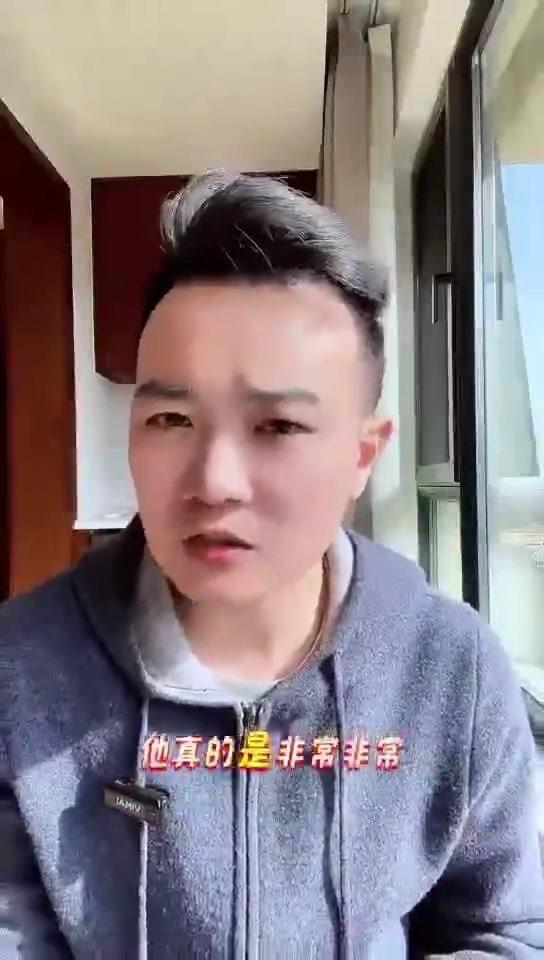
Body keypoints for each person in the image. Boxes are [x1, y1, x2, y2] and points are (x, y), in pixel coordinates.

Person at [1, 170, 543, 959]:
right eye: (172, 418)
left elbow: (509, 931)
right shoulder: (21, 668)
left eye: (279, 426)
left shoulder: (449, 669)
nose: (215, 482)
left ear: (362, 455)